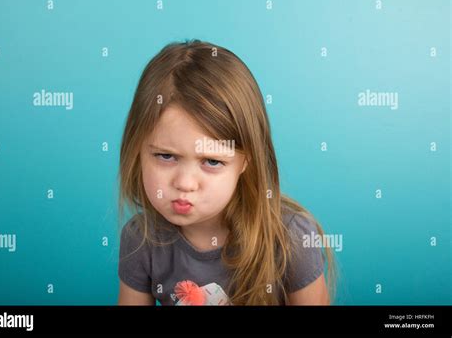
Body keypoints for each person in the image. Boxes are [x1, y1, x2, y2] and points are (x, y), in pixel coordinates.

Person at [117, 39, 336, 305]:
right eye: (166, 156)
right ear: (136, 148)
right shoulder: (141, 239)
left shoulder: (292, 238)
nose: (185, 183)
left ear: (247, 160)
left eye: (211, 161)